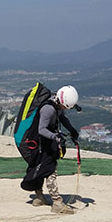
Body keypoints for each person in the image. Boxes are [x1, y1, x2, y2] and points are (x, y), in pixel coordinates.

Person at [21, 85, 80, 214]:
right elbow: (41, 129)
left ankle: (39, 197)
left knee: (40, 167)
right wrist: (56, 137)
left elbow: (62, 118)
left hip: (45, 142)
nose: (65, 109)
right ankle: (57, 202)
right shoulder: (48, 109)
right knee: (50, 170)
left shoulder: (56, 104)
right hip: (42, 143)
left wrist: (72, 130)